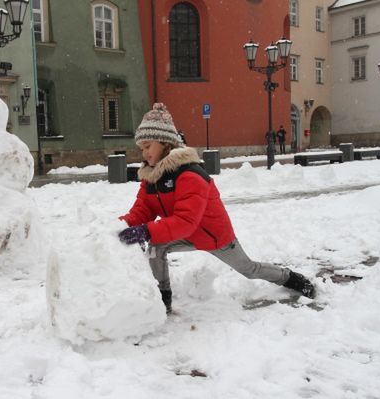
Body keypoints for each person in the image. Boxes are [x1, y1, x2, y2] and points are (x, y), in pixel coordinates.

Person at [118, 103, 315, 314]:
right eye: (142, 148)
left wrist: (146, 231)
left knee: (248, 269)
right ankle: (163, 298)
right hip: (182, 233)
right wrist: (117, 227)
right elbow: (142, 210)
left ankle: (290, 278)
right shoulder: (151, 177)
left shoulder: (189, 175)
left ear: (165, 143)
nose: (144, 153)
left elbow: (186, 221)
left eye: (148, 146)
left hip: (214, 236)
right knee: (156, 248)